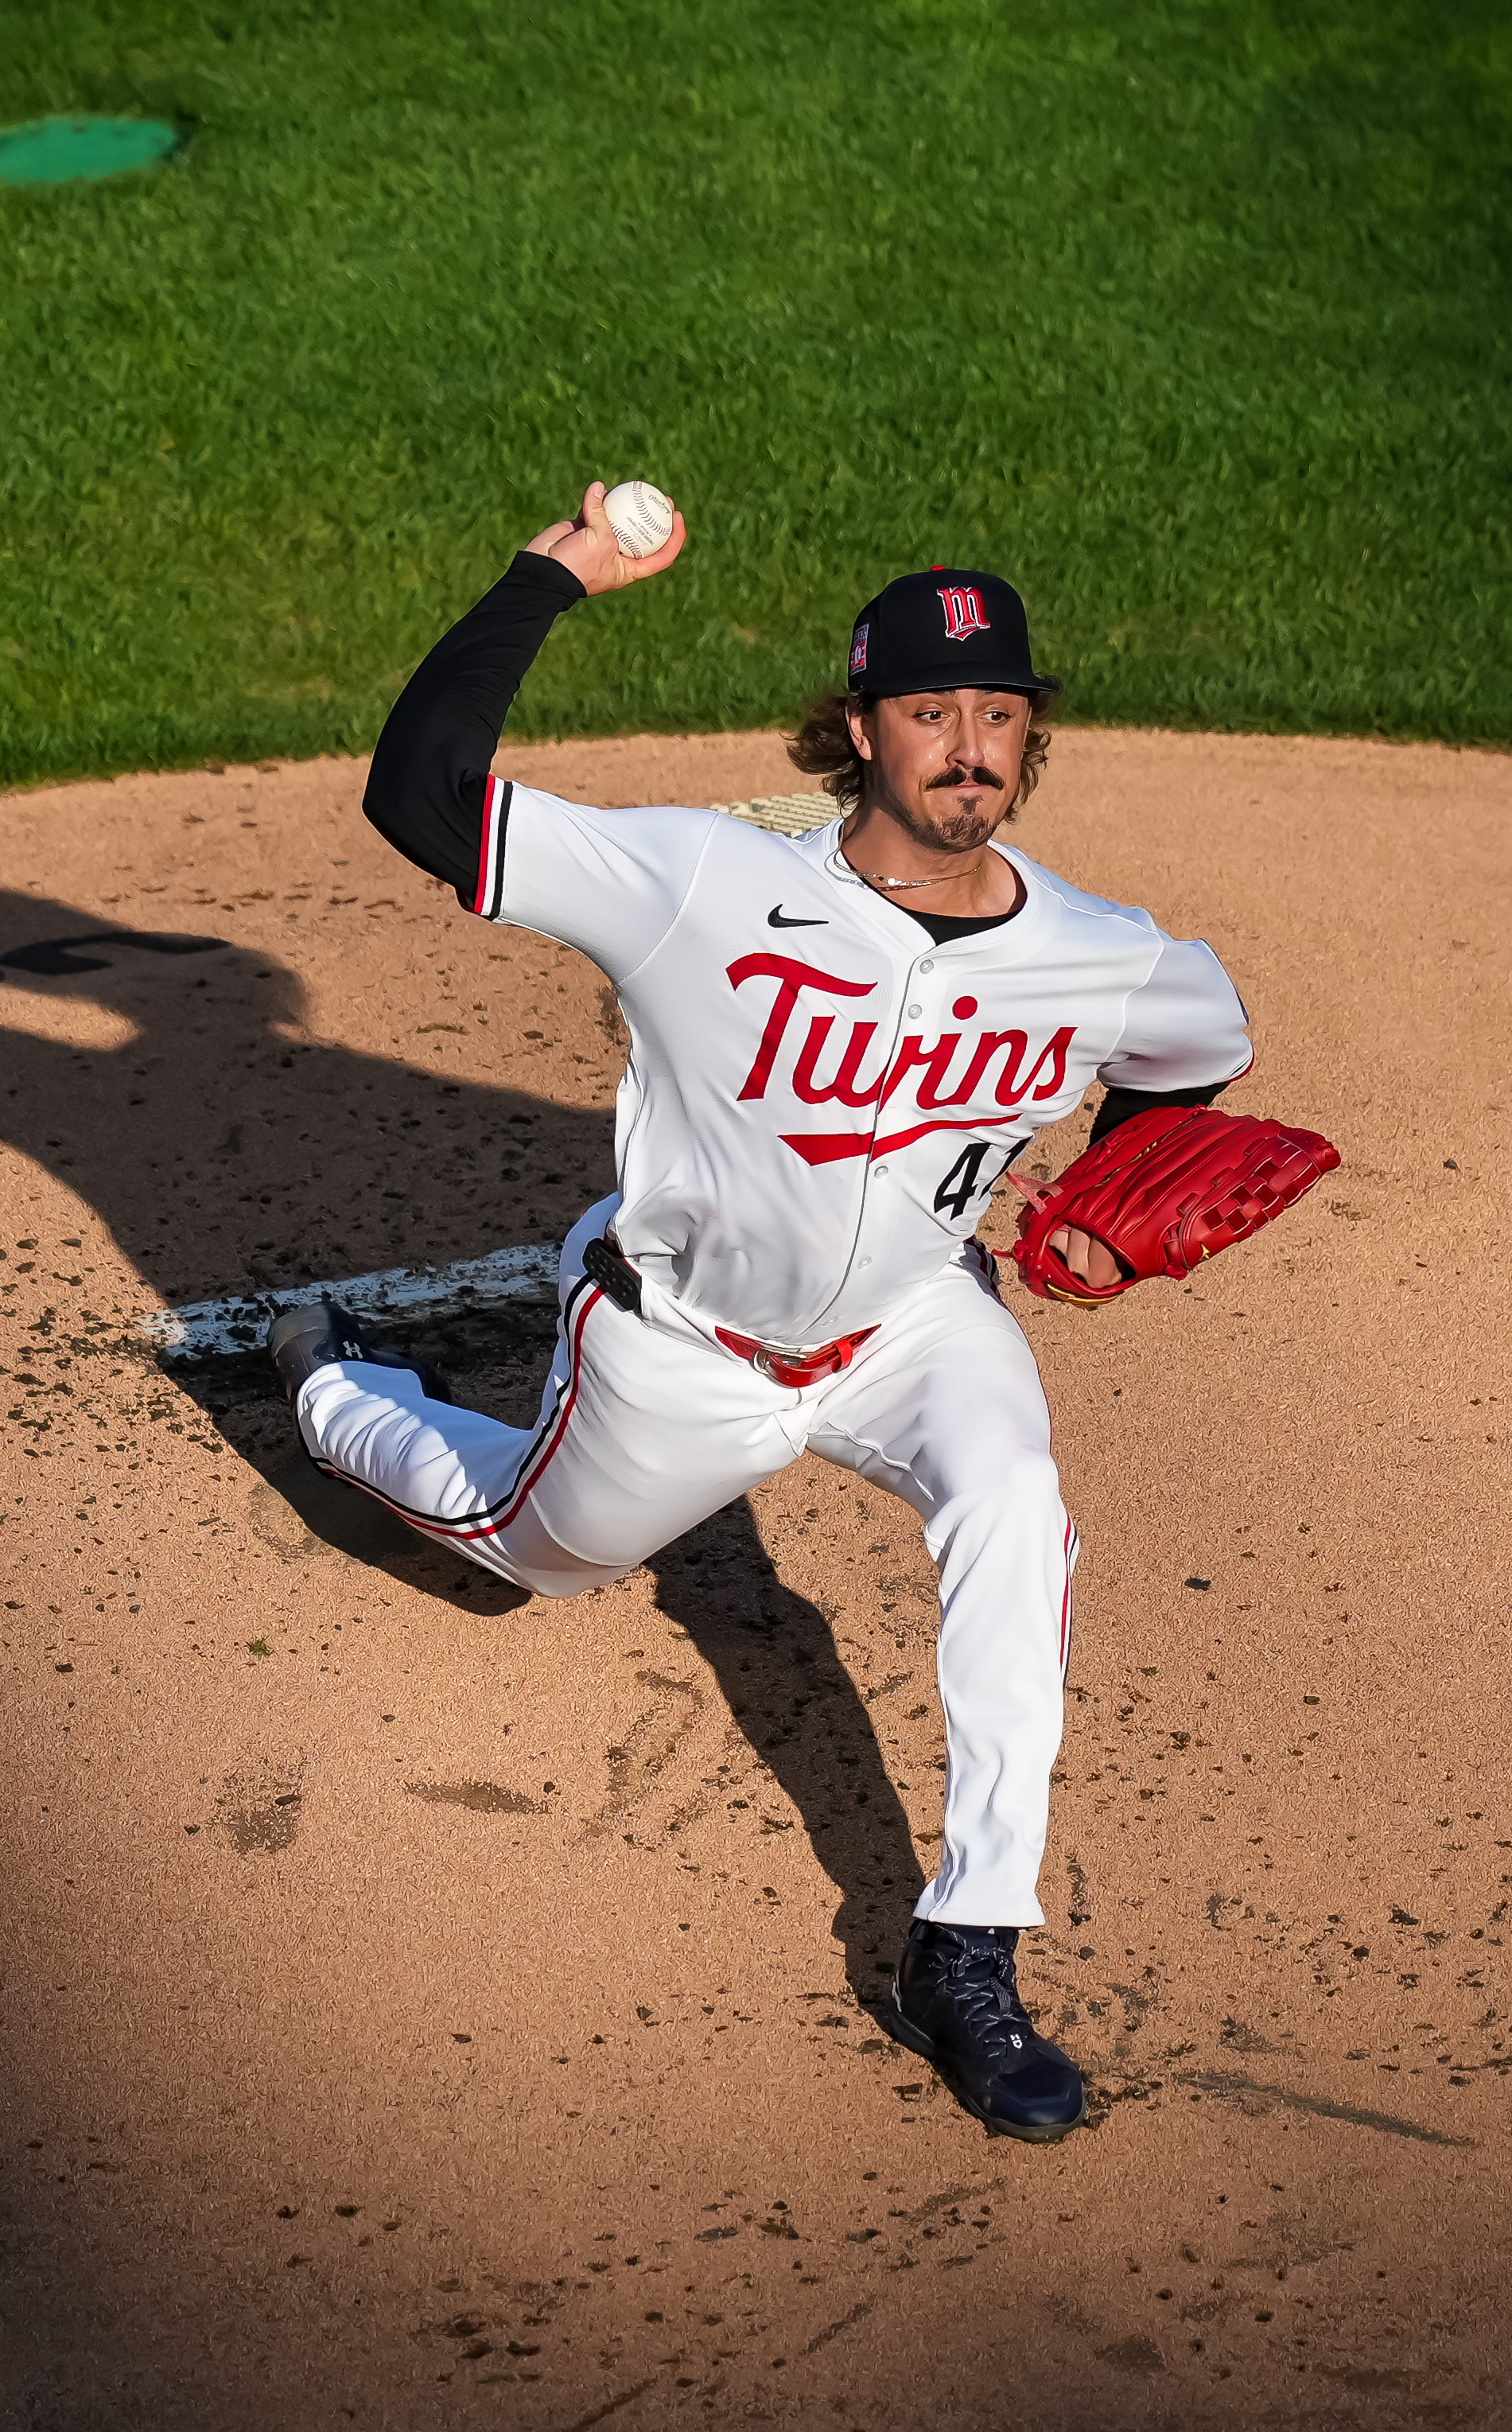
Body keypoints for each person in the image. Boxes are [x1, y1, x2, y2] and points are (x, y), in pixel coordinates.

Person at [272, 485, 1251, 2138]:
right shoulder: (701, 881)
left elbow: (1200, 1051)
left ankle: (967, 1948)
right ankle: (329, 1389)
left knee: (1014, 1507)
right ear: (858, 729)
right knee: (531, 1550)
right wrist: (558, 569)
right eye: (930, 711)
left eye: (997, 715)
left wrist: (1119, 1170)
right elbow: (422, 794)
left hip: (918, 1325)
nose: (967, 745)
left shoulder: (1101, 950)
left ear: (1029, 741)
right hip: (682, 1347)